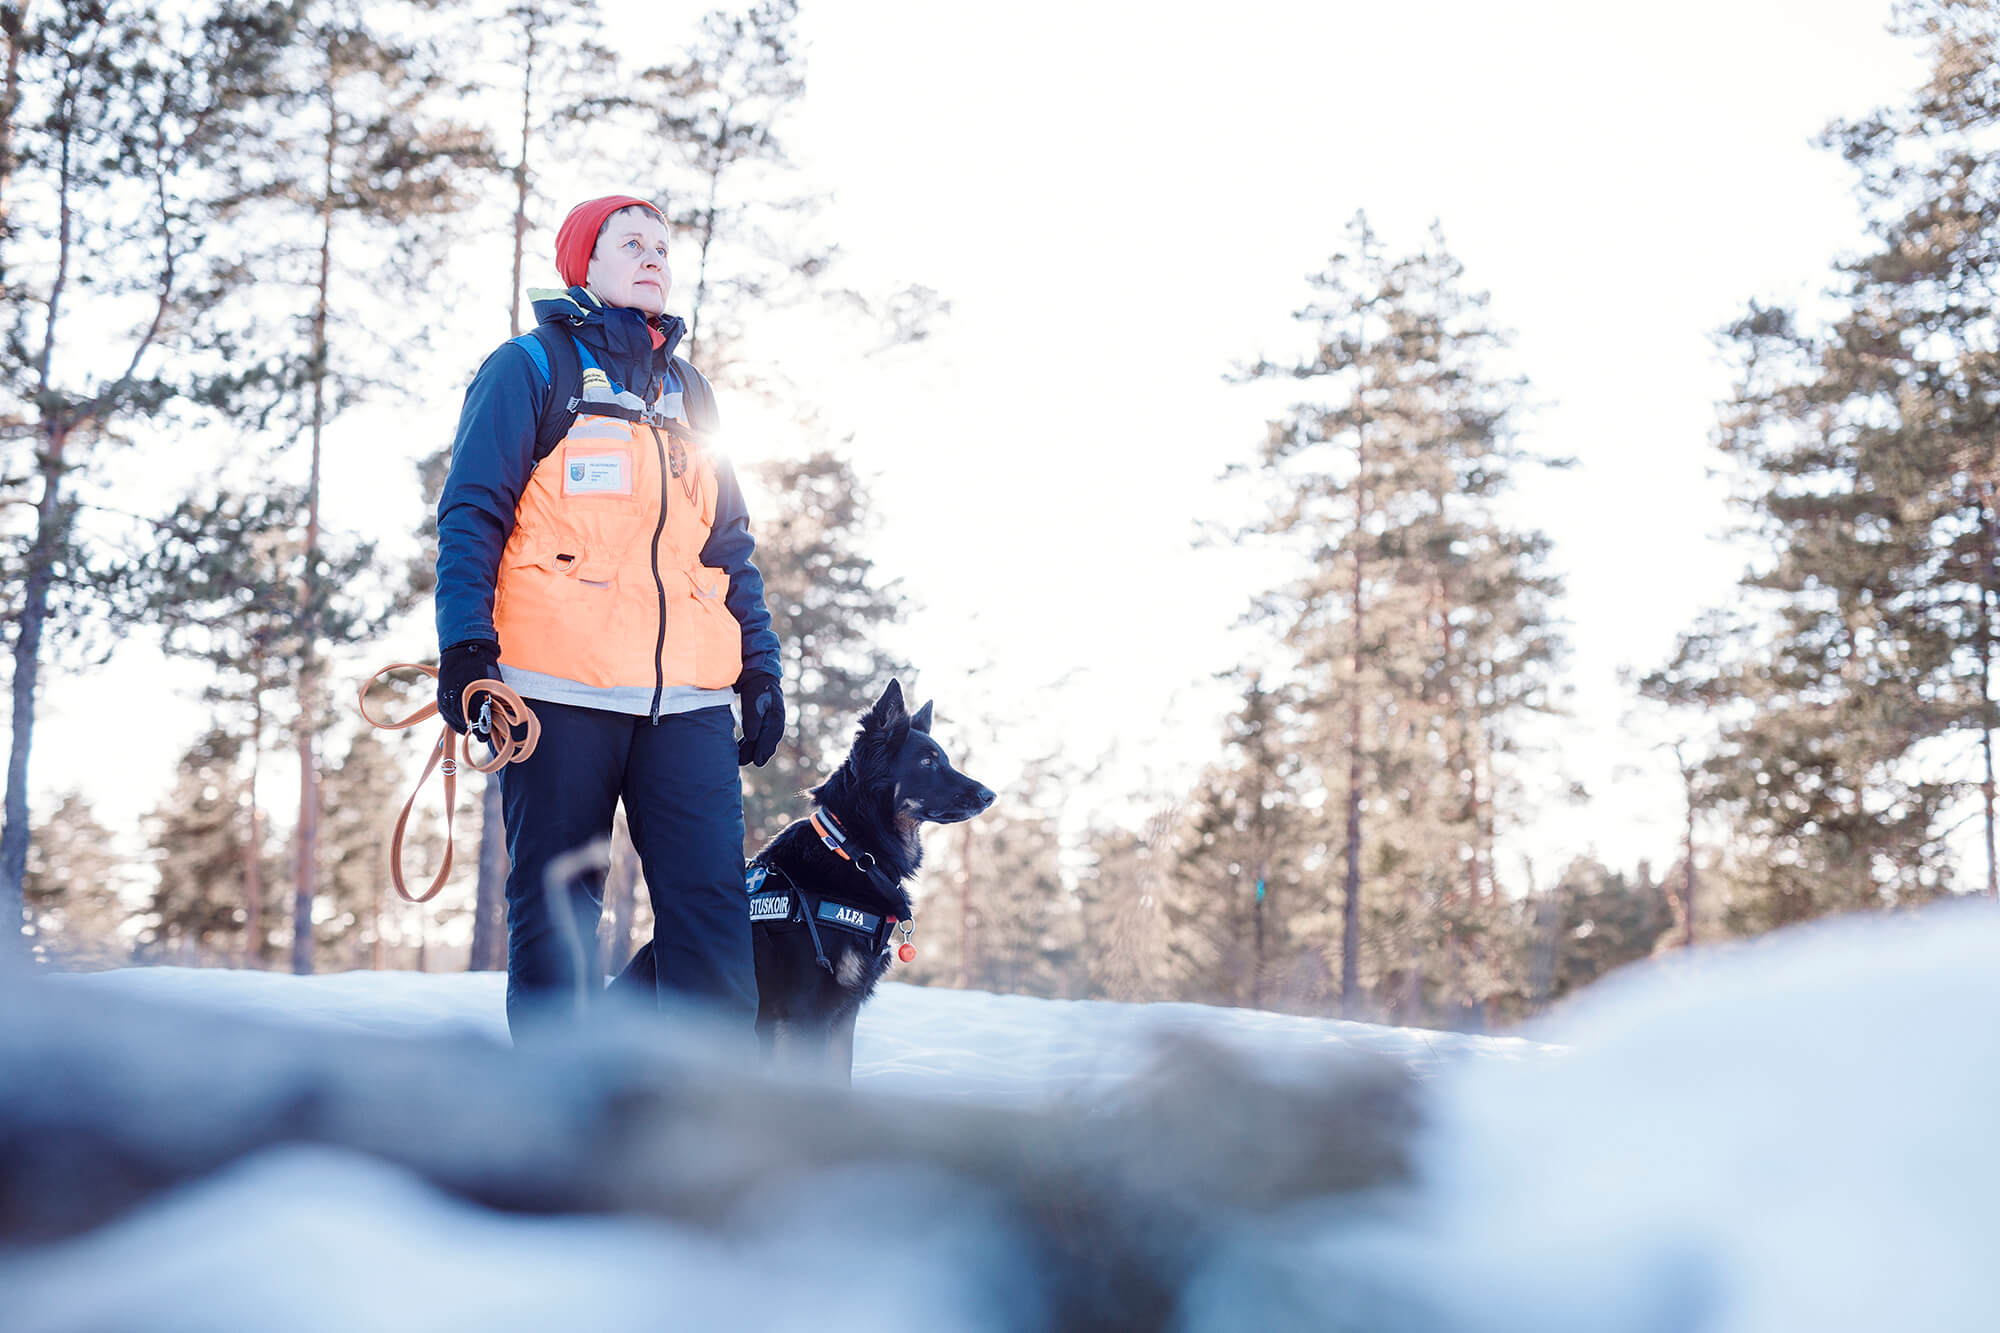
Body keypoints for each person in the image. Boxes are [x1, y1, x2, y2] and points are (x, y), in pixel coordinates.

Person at [433, 193, 784, 1038]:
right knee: (558, 924)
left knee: (712, 922)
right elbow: (472, 510)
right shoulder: (529, 368)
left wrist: (761, 665)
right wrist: (467, 649)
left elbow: (728, 542)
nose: (655, 256)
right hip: (557, 695)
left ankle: (707, 1126)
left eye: (663, 244)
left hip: (688, 704)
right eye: (631, 243)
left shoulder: (693, 394)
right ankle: (554, 1126)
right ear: (582, 266)